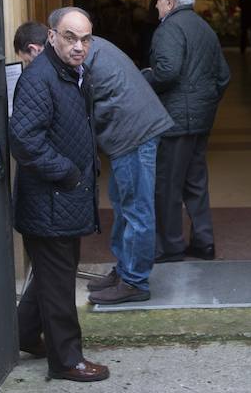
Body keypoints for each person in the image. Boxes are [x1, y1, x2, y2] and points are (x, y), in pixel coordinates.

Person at [9, 7, 109, 383]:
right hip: (49, 203)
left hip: (64, 200)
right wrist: (68, 172)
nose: (79, 46)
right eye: (70, 37)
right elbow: (24, 140)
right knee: (60, 285)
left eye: (86, 39)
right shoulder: (41, 78)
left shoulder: (73, 73)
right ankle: (66, 360)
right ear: (52, 36)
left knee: (52, 276)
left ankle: (23, 333)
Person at [81, 36, 175, 305]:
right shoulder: (90, 45)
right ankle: (124, 271)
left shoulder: (78, 51)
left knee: (136, 210)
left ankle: (134, 282)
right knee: (124, 206)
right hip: (132, 131)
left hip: (133, 133)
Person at [144, 0, 231, 263]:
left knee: (168, 185)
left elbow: (167, 72)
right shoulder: (204, 27)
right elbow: (223, 76)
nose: (156, 5)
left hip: (175, 120)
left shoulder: (169, 28)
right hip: (199, 119)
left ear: (170, 2)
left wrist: (141, 78)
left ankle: (171, 245)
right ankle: (203, 241)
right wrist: (204, 104)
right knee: (195, 182)